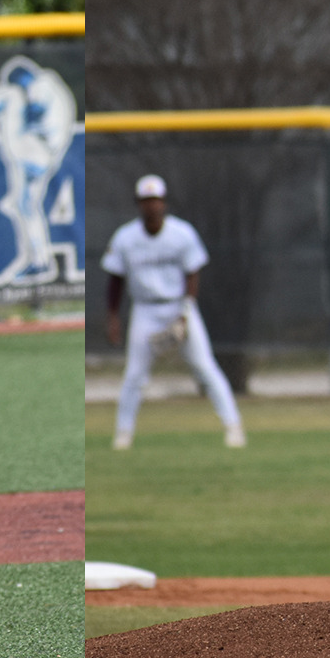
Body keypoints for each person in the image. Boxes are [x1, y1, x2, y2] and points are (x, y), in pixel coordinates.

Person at [102, 175, 245, 451]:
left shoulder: (181, 233)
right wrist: (113, 317)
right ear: (138, 204)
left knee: (205, 366)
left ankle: (233, 426)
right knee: (134, 375)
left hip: (179, 306)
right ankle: (123, 434)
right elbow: (115, 281)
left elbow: (193, 272)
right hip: (145, 310)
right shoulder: (125, 237)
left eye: (156, 200)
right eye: (146, 201)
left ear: (164, 203)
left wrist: (186, 311)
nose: (152, 206)